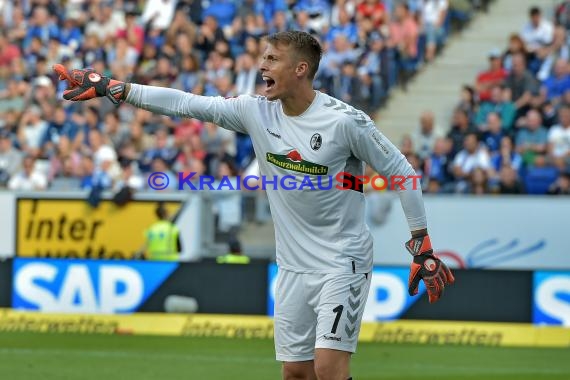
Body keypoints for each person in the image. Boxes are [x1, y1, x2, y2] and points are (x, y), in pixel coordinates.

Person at [53, 31, 454, 380]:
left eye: (272, 59)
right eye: (264, 57)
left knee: (328, 369)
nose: (262, 65)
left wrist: (421, 244)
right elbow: (187, 104)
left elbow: (403, 172)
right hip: (293, 266)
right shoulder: (255, 112)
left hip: (341, 262)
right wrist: (115, 87)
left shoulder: (344, 122)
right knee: (295, 372)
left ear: (300, 69)